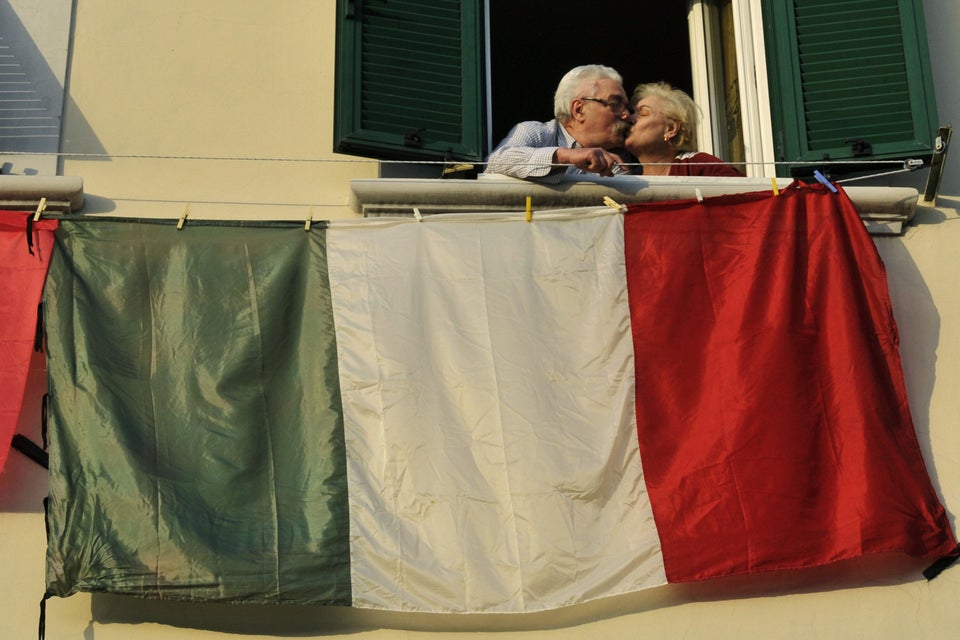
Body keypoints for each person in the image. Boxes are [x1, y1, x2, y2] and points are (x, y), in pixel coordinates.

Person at [485, 65, 634, 180]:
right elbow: (496, 161)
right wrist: (566, 156)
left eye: (626, 107)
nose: (626, 115)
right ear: (579, 110)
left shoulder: (617, 163)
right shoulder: (536, 133)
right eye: (615, 104)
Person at [624, 82, 743, 177]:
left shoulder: (697, 165)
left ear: (671, 129)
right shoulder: (627, 178)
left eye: (642, 113)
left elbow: (751, 197)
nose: (629, 117)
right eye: (632, 112)